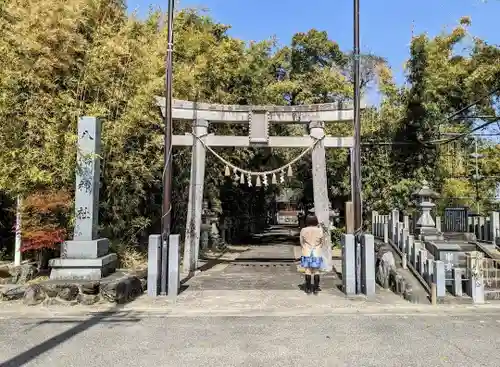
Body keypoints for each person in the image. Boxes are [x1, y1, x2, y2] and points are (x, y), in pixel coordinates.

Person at [299, 214, 324, 294]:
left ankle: (308, 288)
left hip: (306, 251)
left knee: (307, 270)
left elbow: (301, 242)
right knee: (316, 270)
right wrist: (318, 247)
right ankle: (316, 288)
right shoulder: (320, 230)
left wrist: (305, 247)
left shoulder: (303, 230)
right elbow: (322, 242)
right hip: (316, 252)